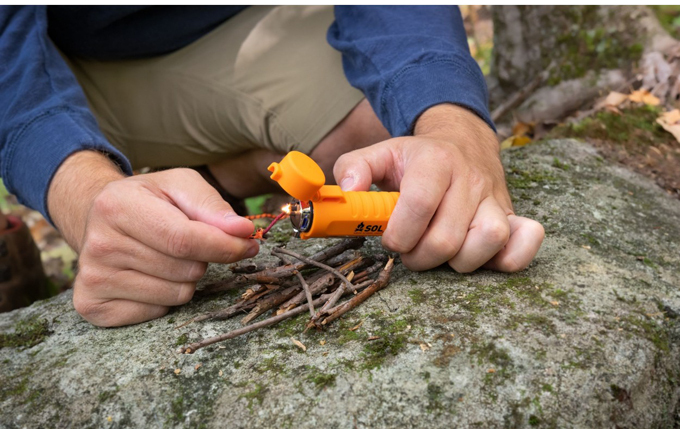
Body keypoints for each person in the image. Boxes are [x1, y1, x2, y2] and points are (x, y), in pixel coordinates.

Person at [0, 6, 544, 327]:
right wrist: (86, 195)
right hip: (64, 52)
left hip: (243, 18)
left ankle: (234, 174)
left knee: (390, 149)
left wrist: (454, 127)